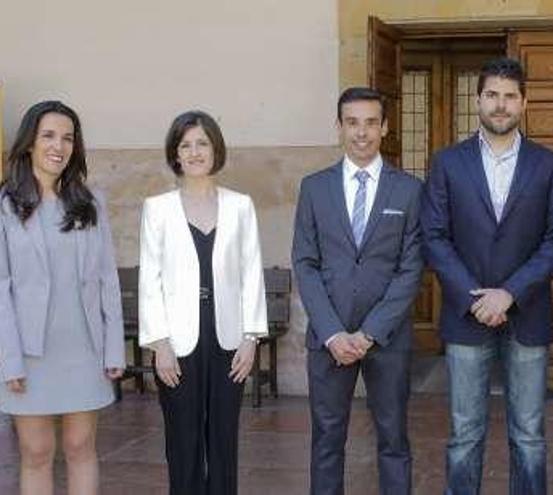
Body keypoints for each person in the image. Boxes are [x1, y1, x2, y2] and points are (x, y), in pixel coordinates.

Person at [421, 57, 553, 495]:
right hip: (465, 317)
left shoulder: (548, 165)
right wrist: (476, 299)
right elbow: (434, 237)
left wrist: (509, 293)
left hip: (527, 315)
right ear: (478, 100)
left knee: (528, 435)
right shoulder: (448, 162)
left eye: (510, 96)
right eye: (492, 95)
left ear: (524, 102)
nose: (500, 105)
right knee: (464, 434)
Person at [292, 87, 423, 494]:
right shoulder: (314, 188)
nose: (361, 133)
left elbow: (411, 268)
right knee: (327, 440)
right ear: (339, 127)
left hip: (387, 337)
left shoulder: (409, 190)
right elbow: (305, 263)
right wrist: (333, 333)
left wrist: (368, 334)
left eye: (370, 122)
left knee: (393, 438)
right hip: (329, 337)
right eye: (352, 123)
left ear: (384, 127)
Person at [138, 110, 268, 494]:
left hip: (229, 337)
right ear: (175, 154)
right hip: (176, 342)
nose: (194, 152)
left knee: (224, 439)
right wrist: (159, 344)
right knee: (183, 438)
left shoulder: (240, 205)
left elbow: (251, 272)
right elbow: (151, 280)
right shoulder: (157, 208)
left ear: (216, 149)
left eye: (202, 143)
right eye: (185, 145)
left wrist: (251, 337)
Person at [0, 100, 125, 494]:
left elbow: (107, 279)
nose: (59, 146)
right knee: (36, 451)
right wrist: (8, 359)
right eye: (49, 135)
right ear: (29, 144)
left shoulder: (91, 204)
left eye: (68, 138)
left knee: (80, 446)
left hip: (83, 347)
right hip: (29, 352)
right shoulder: (4, 206)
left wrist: (113, 349)